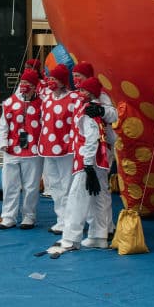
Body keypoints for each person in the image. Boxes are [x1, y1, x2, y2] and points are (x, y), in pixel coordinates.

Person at [48, 76, 111, 255]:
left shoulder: (88, 111)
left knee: (77, 199)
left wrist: (88, 164)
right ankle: (99, 236)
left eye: (83, 90)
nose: (79, 92)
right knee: (97, 197)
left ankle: (70, 238)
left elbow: (91, 138)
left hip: (87, 160)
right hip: (100, 160)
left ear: (90, 93)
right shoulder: (95, 108)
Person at [71, 61, 118, 235]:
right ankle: (97, 225)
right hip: (84, 148)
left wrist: (100, 111)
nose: (76, 79)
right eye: (74, 75)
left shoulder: (99, 94)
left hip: (100, 148)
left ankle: (105, 226)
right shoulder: (79, 95)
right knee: (92, 190)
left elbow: (113, 114)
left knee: (100, 190)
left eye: (79, 76)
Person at [0, 69, 43, 229]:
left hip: (33, 151)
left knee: (31, 186)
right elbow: (3, 124)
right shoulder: (10, 103)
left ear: (35, 87)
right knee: (10, 185)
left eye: (29, 84)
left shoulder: (42, 105)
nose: (25, 86)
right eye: (23, 82)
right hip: (12, 150)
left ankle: (29, 216)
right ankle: (8, 216)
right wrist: (3, 142)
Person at [38, 64, 78, 236]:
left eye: (54, 79)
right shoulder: (46, 98)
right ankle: (61, 220)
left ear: (63, 82)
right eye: (50, 78)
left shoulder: (73, 98)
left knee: (67, 186)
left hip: (65, 149)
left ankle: (70, 221)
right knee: (54, 186)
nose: (51, 81)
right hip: (47, 147)